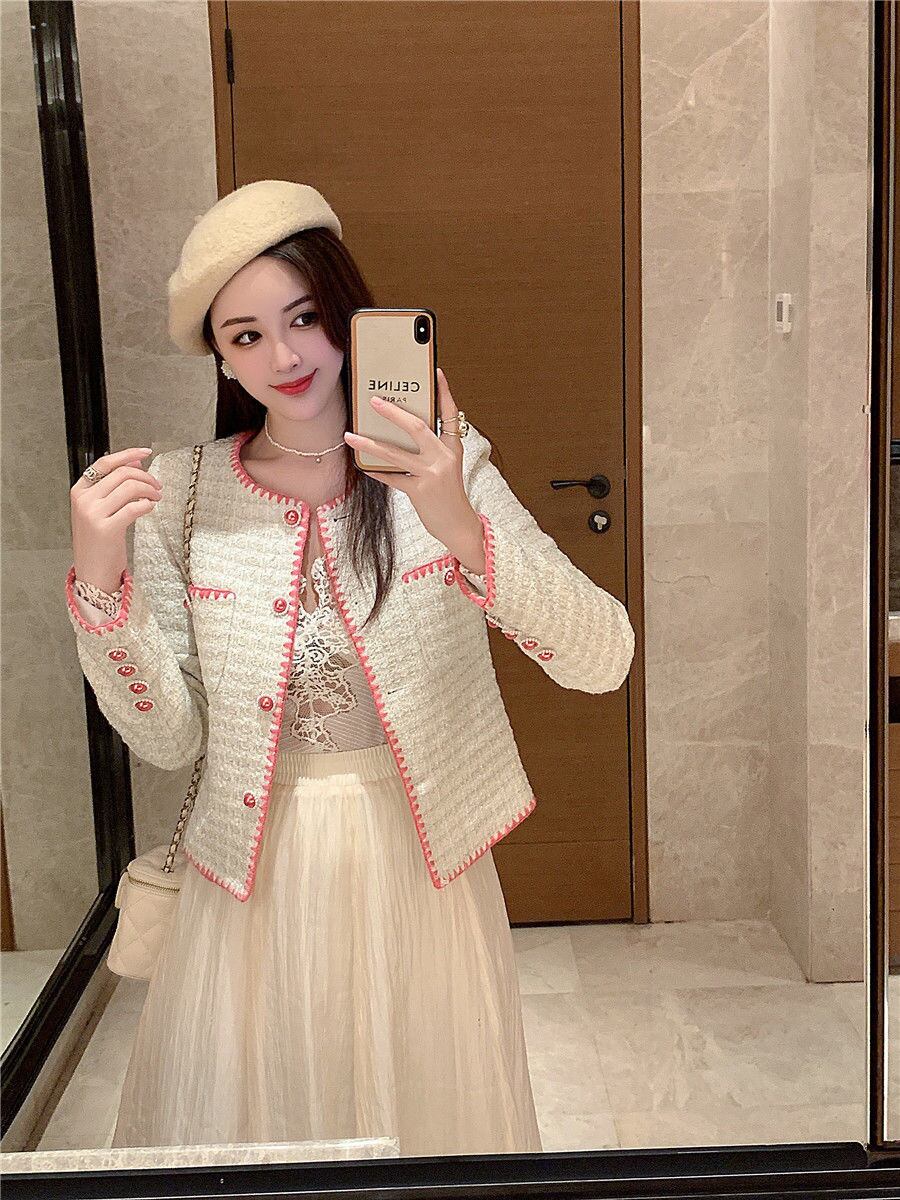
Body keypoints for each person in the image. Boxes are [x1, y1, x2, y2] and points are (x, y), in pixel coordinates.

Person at [65, 181, 635, 1155]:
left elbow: (602, 657)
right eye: (246, 336)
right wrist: (101, 584)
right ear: (219, 355)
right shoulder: (185, 495)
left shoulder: (447, 464)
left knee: (425, 1121)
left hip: (422, 863)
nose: (285, 357)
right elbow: (168, 737)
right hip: (251, 877)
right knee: (264, 1125)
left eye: (304, 318)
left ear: (348, 310)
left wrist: (458, 524)